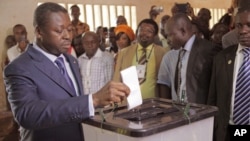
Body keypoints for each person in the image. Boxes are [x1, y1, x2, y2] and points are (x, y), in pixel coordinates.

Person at [3, 2, 130, 141]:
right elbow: (27, 114)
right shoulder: (20, 67)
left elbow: (75, 105)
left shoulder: (71, 61)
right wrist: (91, 100)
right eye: (59, 31)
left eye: (69, 30)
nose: (67, 36)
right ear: (39, 32)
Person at [208, 6, 250, 141]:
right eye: (239, 25)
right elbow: (212, 100)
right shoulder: (222, 58)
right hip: (227, 132)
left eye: (249, 25)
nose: (243, 30)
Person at [157, 13, 218, 104]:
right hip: (183, 110)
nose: (168, 40)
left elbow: (215, 87)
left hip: (201, 111)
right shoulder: (181, 51)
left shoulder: (208, 50)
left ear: (183, 31)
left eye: (170, 35)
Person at [113, 19, 166, 99]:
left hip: (153, 104)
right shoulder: (123, 53)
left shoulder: (163, 53)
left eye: (149, 31)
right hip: (128, 103)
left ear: (155, 35)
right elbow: (117, 79)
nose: (144, 33)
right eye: (141, 30)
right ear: (137, 32)